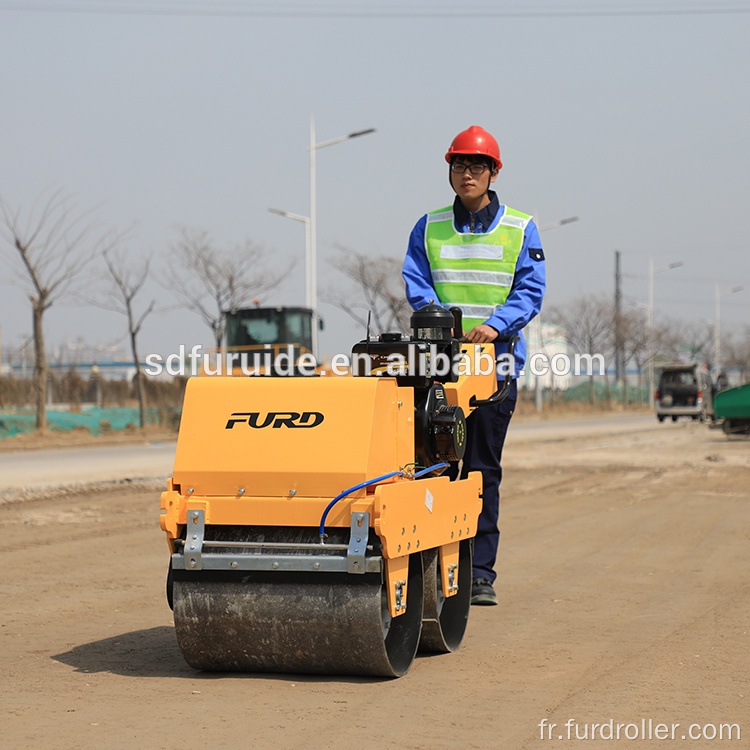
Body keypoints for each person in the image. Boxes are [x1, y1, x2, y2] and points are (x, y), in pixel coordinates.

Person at [402, 125, 546, 606]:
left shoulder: (521, 228)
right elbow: (417, 282)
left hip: (496, 369)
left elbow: (530, 291)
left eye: (477, 166)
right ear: (450, 170)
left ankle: (479, 573)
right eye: (459, 165)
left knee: (481, 470)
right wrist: (440, 323)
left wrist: (495, 326)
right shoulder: (428, 225)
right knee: (434, 469)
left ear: (493, 172)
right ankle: (436, 568)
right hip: (439, 368)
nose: (467, 174)